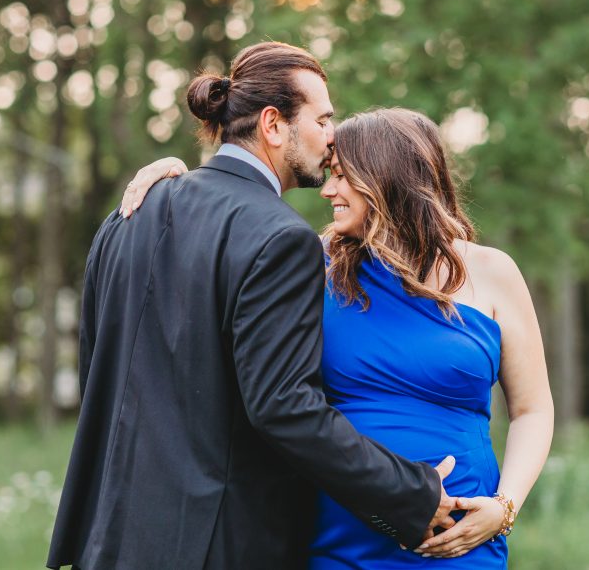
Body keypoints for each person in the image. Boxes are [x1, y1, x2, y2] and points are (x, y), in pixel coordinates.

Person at [46, 43, 458, 570]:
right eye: (323, 117)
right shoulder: (283, 238)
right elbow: (284, 407)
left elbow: (95, 371)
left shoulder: (129, 213)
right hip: (219, 548)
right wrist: (411, 493)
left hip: (108, 541)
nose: (332, 136)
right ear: (273, 125)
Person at [123, 107, 554, 567]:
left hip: (460, 538)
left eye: (344, 177)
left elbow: (533, 409)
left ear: (390, 179)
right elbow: (213, 265)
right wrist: (180, 190)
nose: (327, 189)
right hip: (337, 537)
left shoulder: (492, 273)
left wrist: (505, 506)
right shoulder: (309, 264)